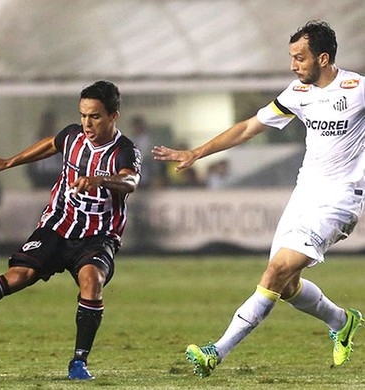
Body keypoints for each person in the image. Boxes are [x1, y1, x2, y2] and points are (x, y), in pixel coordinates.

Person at [152, 20, 364, 378]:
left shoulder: (357, 89)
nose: (294, 65)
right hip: (304, 197)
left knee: (276, 271)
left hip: (339, 201)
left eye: (300, 58)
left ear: (323, 58)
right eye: (292, 58)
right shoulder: (298, 93)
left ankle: (215, 352)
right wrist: (197, 153)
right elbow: (250, 126)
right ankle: (342, 321)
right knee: (287, 286)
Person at [0, 80, 141, 380]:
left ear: (114, 115)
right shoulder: (73, 136)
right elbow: (51, 144)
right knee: (17, 276)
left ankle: (78, 363)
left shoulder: (125, 150)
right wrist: (10, 161)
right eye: (83, 115)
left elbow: (131, 182)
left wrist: (101, 180)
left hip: (98, 235)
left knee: (92, 280)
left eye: (95, 116)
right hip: (57, 225)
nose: (87, 123)